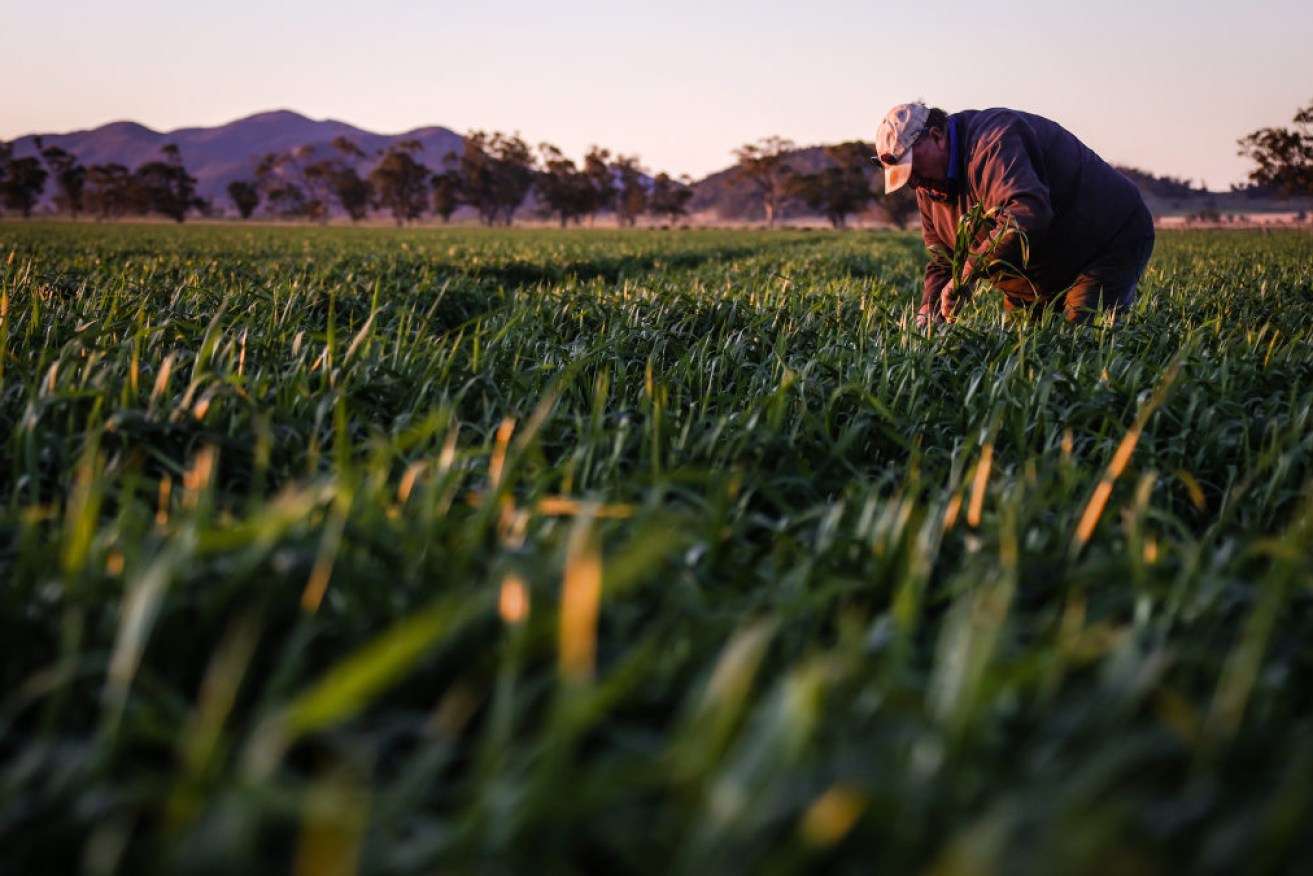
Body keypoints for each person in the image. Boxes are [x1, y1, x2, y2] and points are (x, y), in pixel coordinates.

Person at [875, 102, 1155, 327]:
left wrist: (969, 273)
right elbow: (943, 259)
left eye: (912, 170)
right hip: (1035, 273)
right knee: (1019, 360)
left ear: (935, 136)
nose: (912, 184)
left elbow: (1026, 215)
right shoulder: (929, 186)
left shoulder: (994, 140)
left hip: (1102, 243)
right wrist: (929, 308)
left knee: (1081, 344)